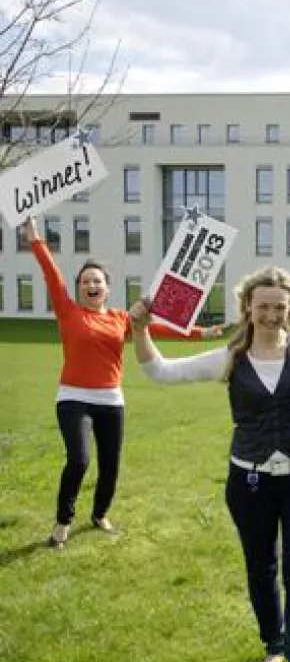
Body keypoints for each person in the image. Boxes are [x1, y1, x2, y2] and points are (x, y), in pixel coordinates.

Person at [130, 267, 290, 662]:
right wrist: (139, 329)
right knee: (260, 568)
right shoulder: (230, 357)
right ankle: (274, 643)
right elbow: (160, 372)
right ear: (247, 307)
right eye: (262, 305)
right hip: (248, 482)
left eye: (279, 307)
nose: (270, 314)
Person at [20, 216, 217, 550]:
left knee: (111, 464)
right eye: (85, 281)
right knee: (79, 459)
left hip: (111, 400)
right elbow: (51, 274)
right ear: (79, 287)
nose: (92, 285)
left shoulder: (121, 318)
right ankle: (61, 525)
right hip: (73, 398)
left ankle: (99, 514)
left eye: (97, 281)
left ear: (108, 288)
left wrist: (200, 332)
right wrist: (34, 238)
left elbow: (158, 329)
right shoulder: (68, 311)